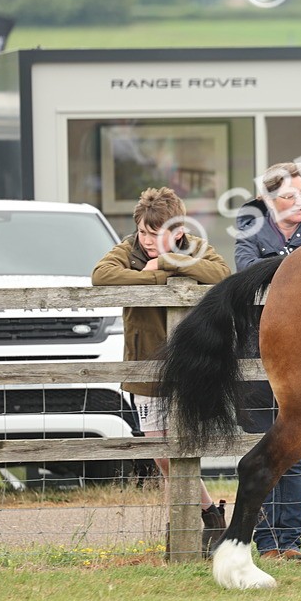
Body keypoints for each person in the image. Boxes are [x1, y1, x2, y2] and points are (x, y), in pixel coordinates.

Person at [91, 186, 231, 556]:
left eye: (158, 234)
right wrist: (154, 276)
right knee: (161, 450)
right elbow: (102, 276)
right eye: (144, 233)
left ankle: (182, 529)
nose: (149, 241)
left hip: (188, 363)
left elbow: (221, 273)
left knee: (184, 444)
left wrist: (169, 264)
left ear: (179, 231)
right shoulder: (127, 250)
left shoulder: (194, 248)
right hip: (145, 365)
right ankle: (206, 514)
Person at [234, 162, 301, 561]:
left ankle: (289, 541)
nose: (298, 202)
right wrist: (297, 270)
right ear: (266, 201)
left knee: (297, 451)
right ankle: (264, 542)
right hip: (256, 352)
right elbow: (246, 270)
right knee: (260, 445)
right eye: (288, 196)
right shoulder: (249, 230)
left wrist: (279, 268)